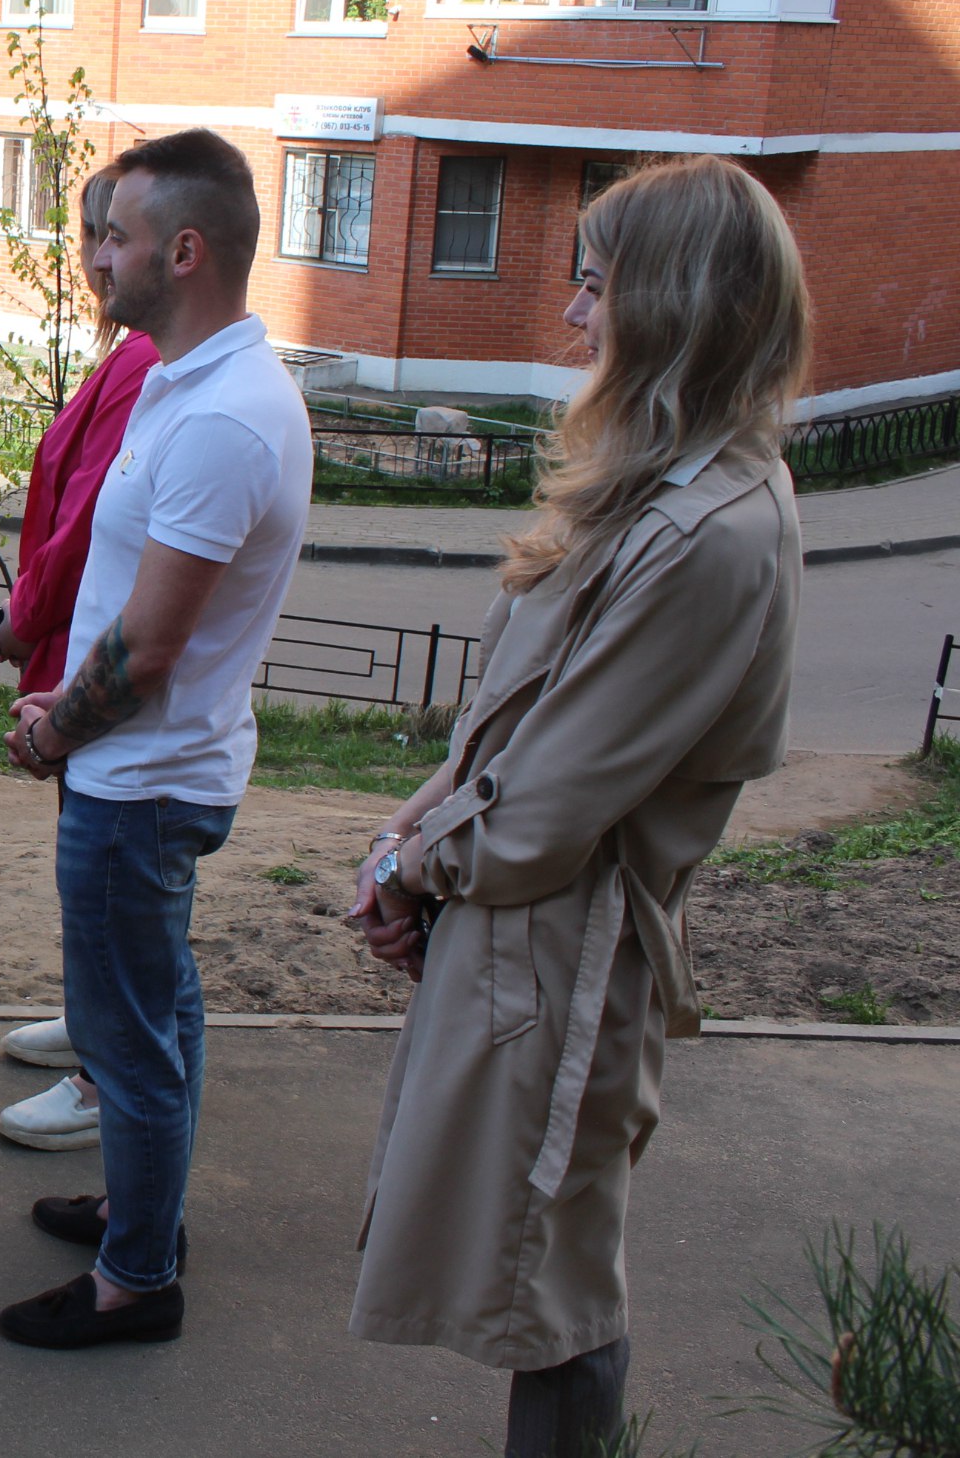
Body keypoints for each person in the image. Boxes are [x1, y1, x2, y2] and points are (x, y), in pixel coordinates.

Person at [343, 156, 808, 1457]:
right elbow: (508, 718)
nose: (573, 316)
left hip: (569, 947)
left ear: (671, 302)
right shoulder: (659, 486)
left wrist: (418, 866)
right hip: (524, 933)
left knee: (551, 1281)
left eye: (595, 285)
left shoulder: (712, 528)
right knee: (534, 1266)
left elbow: (547, 802)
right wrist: (405, 848)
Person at [0, 128, 312, 1349]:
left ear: (181, 251)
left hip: (136, 784)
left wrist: (54, 730)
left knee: (128, 1042)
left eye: (115, 234)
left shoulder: (224, 417)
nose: (97, 255)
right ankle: (143, 1213)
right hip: (142, 769)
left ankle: (136, 1279)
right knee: (157, 1017)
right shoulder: (185, 380)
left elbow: (153, 643)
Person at [0, 166, 162, 1147]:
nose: (95, 258)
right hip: (76, 632)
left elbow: (87, 510)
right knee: (83, 854)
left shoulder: (140, 365)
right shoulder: (128, 352)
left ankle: (103, 1075)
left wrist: (24, 610)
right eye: (90, 232)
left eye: (112, 235)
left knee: (103, 866)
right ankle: (92, 1027)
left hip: (90, 641)